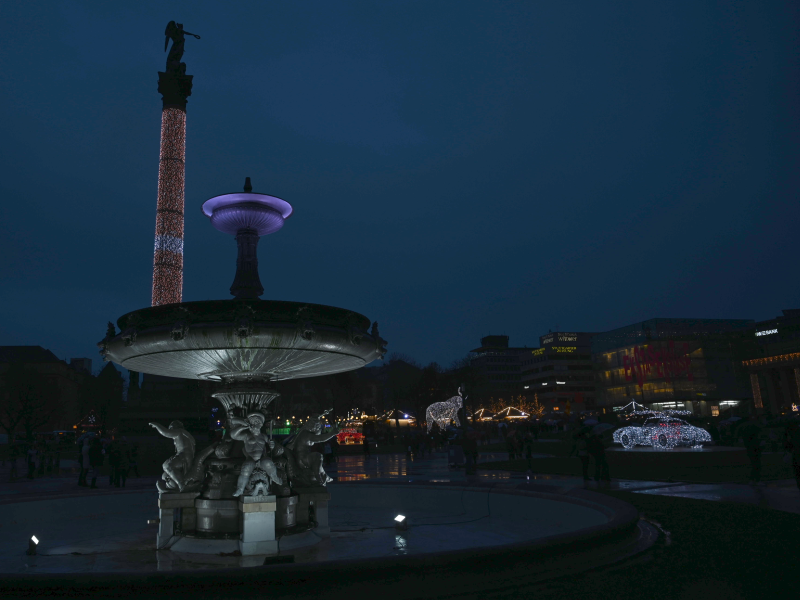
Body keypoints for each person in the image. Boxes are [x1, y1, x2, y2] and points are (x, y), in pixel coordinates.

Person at [739, 415, 764, 485]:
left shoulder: (745, 430)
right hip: (755, 448)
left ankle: (753, 479)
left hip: (750, 448)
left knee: (754, 464)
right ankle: (756, 479)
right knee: (757, 464)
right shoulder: (755, 435)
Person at [783, 421, 800, 491]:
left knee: (797, 472)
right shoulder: (794, 434)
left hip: (796, 455)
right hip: (796, 455)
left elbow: (787, 445)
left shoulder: (790, 435)